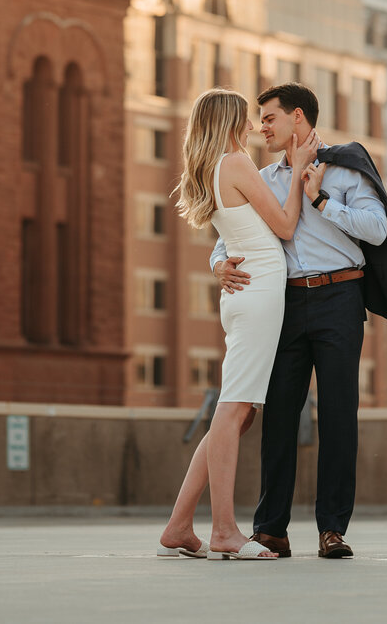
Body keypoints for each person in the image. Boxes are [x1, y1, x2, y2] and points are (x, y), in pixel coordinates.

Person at [211, 83, 387, 559]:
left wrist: (323, 201)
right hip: (284, 304)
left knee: (337, 415)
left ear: (298, 118)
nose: (261, 127)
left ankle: (332, 528)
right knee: (279, 418)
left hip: (339, 298)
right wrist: (218, 265)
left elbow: (378, 229)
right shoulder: (263, 176)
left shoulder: (346, 168)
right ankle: (270, 529)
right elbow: (227, 237)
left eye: (269, 118)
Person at [157, 87, 319, 561]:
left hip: (244, 293)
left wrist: (216, 266)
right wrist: (298, 173)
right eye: (246, 119)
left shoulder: (212, 168)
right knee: (233, 410)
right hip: (259, 290)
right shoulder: (236, 164)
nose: (252, 127)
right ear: (229, 121)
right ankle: (225, 530)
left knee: (239, 413)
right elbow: (286, 226)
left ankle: (179, 526)